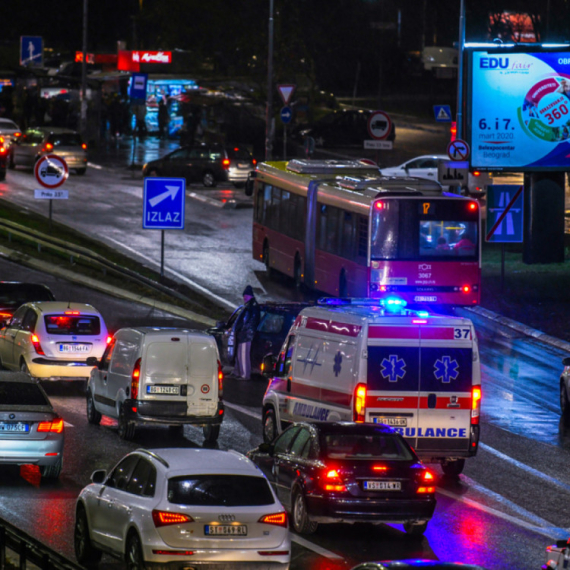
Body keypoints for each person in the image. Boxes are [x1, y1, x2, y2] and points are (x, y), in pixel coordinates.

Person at [233, 285, 260, 380]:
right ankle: (240, 373)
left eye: (245, 296)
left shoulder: (252, 307)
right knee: (240, 355)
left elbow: (249, 322)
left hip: (246, 335)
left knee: (244, 356)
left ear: (249, 296)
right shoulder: (250, 306)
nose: (244, 298)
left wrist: (243, 331)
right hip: (244, 335)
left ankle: (245, 375)